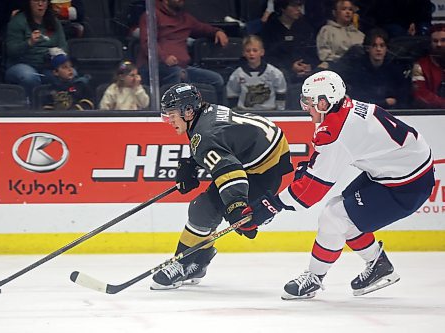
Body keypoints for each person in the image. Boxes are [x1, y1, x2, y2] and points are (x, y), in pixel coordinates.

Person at [249, 70, 435, 300]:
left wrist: (273, 205)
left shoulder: (337, 131)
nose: (305, 106)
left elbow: (311, 191)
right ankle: (378, 265)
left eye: (309, 101)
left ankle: (314, 278)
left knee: (334, 216)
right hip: (398, 169)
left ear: (325, 101)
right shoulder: (342, 109)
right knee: (343, 212)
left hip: (407, 184)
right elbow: (318, 165)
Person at [151, 83, 294, 290]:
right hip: (263, 152)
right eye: (166, 115)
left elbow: (230, 170)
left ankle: (182, 264)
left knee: (204, 208)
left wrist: (236, 206)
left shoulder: (204, 134)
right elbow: (226, 142)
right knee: (205, 209)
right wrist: (193, 162)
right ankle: (199, 261)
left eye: (172, 114)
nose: (169, 120)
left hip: (262, 171)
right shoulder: (205, 113)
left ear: (188, 110)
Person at [136, 0, 229, 104]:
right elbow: (148, 42)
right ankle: (173, 113)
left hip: (183, 68)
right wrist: (164, 57)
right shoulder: (151, 16)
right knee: (176, 74)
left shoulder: (185, 18)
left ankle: (222, 115)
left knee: (216, 79)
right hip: (155, 68)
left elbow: (202, 28)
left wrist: (217, 31)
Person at [5, 0, 68, 97]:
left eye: (43, 1)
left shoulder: (54, 21)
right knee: (29, 77)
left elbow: (63, 46)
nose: (40, 4)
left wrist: (58, 56)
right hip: (21, 64)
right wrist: (29, 43)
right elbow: (11, 51)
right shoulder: (18, 21)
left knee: (69, 73)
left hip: (48, 65)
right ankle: (32, 108)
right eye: (36, 0)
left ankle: (59, 104)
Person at [339, 28, 409, 108]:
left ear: (386, 49)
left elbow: (402, 98)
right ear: (368, 48)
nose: (378, 49)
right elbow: (358, 99)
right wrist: (384, 102)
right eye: (374, 45)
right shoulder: (358, 70)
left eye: (382, 46)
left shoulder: (395, 70)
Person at [261, 0, 318, 83]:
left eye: (300, 6)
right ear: (283, 8)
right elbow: (269, 55)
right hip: (281, 71)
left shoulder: (305, 27)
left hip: (306, 70)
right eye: (294, 6)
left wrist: (310, 66)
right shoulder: (270, 28)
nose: (298, 9)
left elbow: (312, 50)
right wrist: (290, 66)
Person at [226, 35, 287, 111]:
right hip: (244, 113)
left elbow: (281, 94)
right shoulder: (237, 74)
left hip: (270, 113)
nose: (251, 53)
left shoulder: (275, 73)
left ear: (262, 52)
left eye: (255, 50)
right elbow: (232, 95)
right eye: (248, 51)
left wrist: (280, 112)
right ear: (243, 53)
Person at [316, 0, 364, 69]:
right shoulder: (327, 30)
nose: (348, 12)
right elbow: (324, 54)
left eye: (350, 9)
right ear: (335, 13)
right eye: (343, 9)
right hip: (333, 68)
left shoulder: (360, 35)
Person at [411, 24, 445, 109]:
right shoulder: (420, 66)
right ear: (430, 43)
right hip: (430, 115)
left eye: (443, 40)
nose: (439, 44)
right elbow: (420, 94)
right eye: (435, 41)